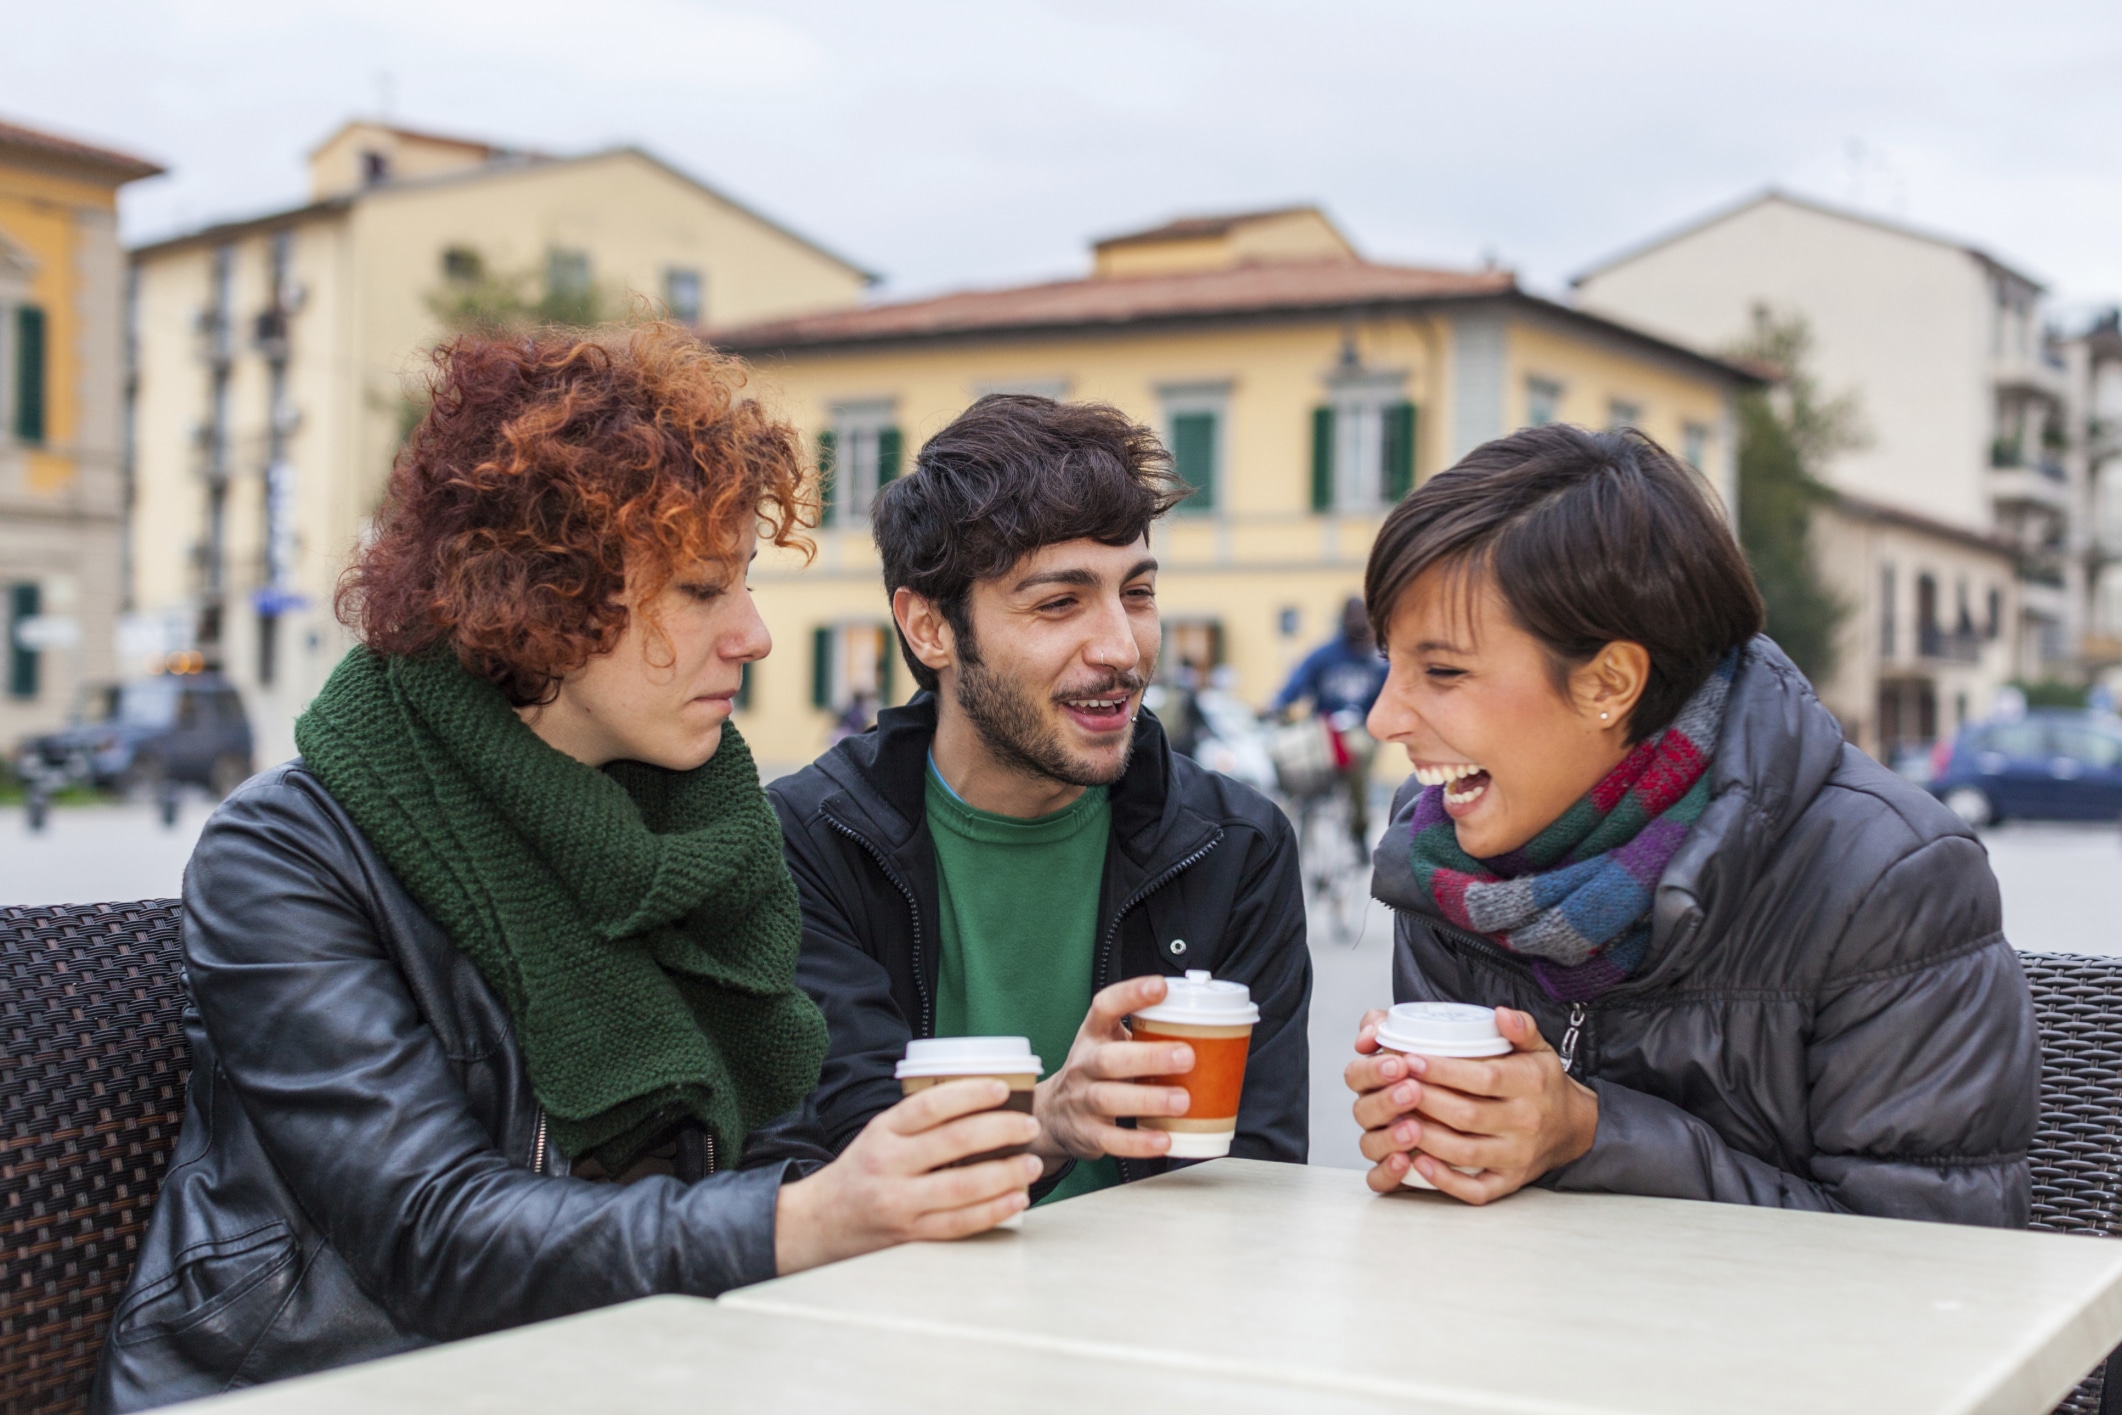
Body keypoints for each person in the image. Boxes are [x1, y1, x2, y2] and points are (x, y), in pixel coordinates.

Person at [93, 326, 1039, 1412]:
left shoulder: (698, 829)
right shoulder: (289, 854)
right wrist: (808, 1220)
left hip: (623, 1367)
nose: (755, 635)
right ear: (541, 595)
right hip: (328, 1383)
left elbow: (773, 1139)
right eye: (699, 590)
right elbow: (433, 1234)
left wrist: (1012, 1139)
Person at [1344, 423, 2036, 1223]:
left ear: (1609, 680)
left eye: (1442, 671)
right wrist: (1436, 1132)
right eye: (1386, 662)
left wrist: (1592, 1134)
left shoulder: (1889, 877)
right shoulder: (1441, 854)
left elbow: (1934, 1262)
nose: (1382, 718)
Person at [770, 395, 1311, 1205]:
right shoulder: (809, 841)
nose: (1121, 649)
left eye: (1136, 593)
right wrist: (1045, 1122)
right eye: (1060, 603)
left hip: (1153, 1310)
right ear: (929, 627)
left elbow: (1258, 1181)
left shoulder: (1236, 845)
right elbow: (841, 1156)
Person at [1272, 595, 1388, 846]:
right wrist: (1277, 704)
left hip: (1362, 730)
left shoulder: (1378, 660)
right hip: (1325, 730)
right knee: (1292, 751)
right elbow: (1297, 682)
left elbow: (1391, 693)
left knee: (1356, 750)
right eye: (1351, 616)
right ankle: (1294, 813)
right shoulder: (1325, 655)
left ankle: (1359, 824)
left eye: (1361, 617)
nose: (1356, 623)